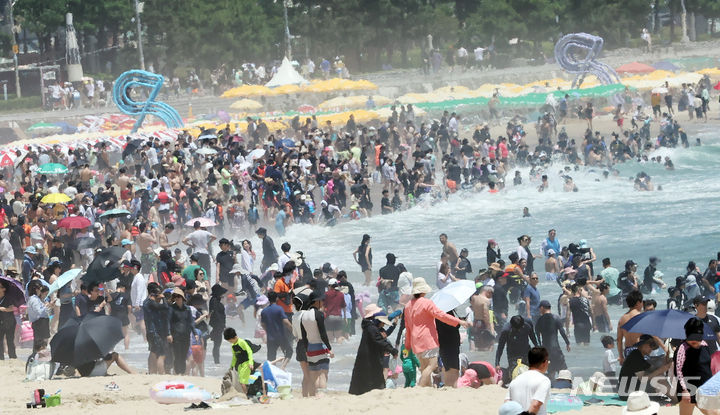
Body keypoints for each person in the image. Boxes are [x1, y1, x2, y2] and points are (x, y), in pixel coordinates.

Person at [404, 277, 470, 387]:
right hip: (427, 339)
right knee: (432, 366)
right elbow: (441, 315)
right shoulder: (426, 303)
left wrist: (407, 345)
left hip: (415, 341)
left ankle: (428, 390)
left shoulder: (407, 306)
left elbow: (408, 327)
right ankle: (419, 387)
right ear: (423, 290)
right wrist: (458, 321)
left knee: (424, 367)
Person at [348, 309, 397, 395]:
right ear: (378, 321)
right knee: (374, 378)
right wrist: (392, 350)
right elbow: (379, 341)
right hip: (369, 359)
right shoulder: (372, 329)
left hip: (368, 358)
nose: (384, 324)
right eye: (383, 322)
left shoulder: (370, 328)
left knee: (366, 378)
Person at [675, 317, 715, 415]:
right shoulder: (682, 349)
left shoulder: (705, 346)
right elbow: (678, 371)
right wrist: (684, 390)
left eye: (696, 337)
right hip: (688, 390)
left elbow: (707, 368)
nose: (694, 341)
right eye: (691, 337)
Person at [299, 291, 333, 396]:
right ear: (316, 301)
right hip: (320, 347)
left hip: (310, 348)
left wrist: (306, 350)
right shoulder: (319, 314)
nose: (323, 302)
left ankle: (313, 396)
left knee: (313, 375)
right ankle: (321, 396)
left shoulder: (303, 315)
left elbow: (304, 336)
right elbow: (323, 334)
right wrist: (329, 348)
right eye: (321, 300)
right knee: (323, 374)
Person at [617, 335, 672, 400]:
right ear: (642, 345)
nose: (651, 349)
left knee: (659, 377)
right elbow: (643, 379)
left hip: (630, 391)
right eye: (650, 345)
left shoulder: (638, 355)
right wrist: (660, 370)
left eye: (653, 345)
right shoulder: (636, 356)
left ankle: (674, 398)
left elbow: (653, 369)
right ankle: (675, 399)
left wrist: (666, 360)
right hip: (627, 394)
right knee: (659, 378)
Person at [506, 347, 552, 415]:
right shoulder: (543, 380)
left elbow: (506, 404)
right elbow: (535, 405)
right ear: (545, 363)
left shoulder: (515, 380)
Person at [535, 300, 570, 380]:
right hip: (556, 349)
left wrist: (539, 347)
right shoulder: (556, 318)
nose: (539, 310)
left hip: (546, 350)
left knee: (551, 371)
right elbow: (562, 332)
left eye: (540, 309)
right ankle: (565, 385)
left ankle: (551, 385)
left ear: (542, 308)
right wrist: (567, 343)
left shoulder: (539, 320)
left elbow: (537, 336)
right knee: (563, 371)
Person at [495, 315, 539, 380]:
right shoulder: (506, 330)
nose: (519, 330)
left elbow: (533, 337)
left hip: (526, 353)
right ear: (512, 326)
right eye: (516, 329)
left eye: (520, 327)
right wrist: (497, 363)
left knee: (528, 373)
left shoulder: (527, 325)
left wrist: (538, 349)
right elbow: (500, 347)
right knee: (515, 375)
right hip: (512, 355)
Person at [260, 291, 293, 368]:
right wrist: (294, 331)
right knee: (289, 351)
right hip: (281, 336)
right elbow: (286, 322)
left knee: (271, 358)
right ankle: (283, 367)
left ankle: (272, 372)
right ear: (277, 298)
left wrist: (268, 331)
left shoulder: (264, 311)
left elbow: (263, 324)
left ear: (268, 299)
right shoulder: (279, 309)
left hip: (271, 337)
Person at [143, 284, 170, 374]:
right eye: (158, 293)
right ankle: (161, 374)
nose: (160, 295)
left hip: (151, 332)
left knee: (153, 352)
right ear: (152, 294)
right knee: (160, 354)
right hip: (154, 332)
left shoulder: (147, 302)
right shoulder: (150, 302)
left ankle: (152, 372)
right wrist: (164, 299)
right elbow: (165, 308)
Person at [220, 327, 254, 395]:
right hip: (240, 366)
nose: (230, 342)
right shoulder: (233, 345)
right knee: (240, 381)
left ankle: (245, 395)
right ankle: (246, 393)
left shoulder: (241, 342)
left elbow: (249, 351)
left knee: (242, 382)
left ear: (235, 337)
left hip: (246, 364)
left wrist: (250, 363)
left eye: (230, 340)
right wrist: (231, 366)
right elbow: (234, 357)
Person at [168, 288, 194, 375]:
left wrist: (194, 332)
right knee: (177, 355)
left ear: (182, 298)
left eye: (179, 296)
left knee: (183, 356)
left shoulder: (187, 309)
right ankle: (178, 372)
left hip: (186, 335)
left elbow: (191, 321)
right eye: (175, 296)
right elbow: (168, 321)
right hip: (175, 335)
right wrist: (169, 334)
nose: (177, 298)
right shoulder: (171, 308)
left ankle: (182, 373)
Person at [617, 290, 644, 364]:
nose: (642, 304)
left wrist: (621, 356)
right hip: (640, 350)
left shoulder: (622, 318)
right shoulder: (641, 316)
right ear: (638, 303)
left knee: (632, 373)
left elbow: (619, 339)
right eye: (642, 302)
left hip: (628, 350)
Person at [27, 281, 51, 347]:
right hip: (39, 323)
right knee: (40, 343)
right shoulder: (34, 299)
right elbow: (39, 312)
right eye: (40, 289)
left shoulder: (36, 298)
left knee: (42, 342)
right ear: (36, 289)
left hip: (41, 322)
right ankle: (36, 356)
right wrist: (47, 306)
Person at [108, 282, 132, 350]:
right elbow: (129, 307)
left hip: (114, 316)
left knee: (113, 334)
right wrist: (129, 314)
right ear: (123, 288)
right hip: (123, 316)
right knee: (126, 334)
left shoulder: (112, 295)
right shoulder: (127, 295)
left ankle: (112, 349)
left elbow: (109, 307)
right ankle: (126, 349)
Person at [209, 284, 227, 365]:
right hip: (217, 326)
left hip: (219, 326)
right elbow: (215, 314)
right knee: (217, 344)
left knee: (217, 344)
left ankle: (217, 362)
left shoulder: (216, 300)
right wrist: (221, 325)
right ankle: (217, 362)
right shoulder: (214, 301)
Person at [0, 279, 17, 359]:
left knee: (10, 340)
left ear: (4, 289)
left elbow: (13, 308)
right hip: (1, 321)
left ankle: (12, 356)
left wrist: (4, 309)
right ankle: (1, 357)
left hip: (9, 321)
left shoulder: (9, 297)